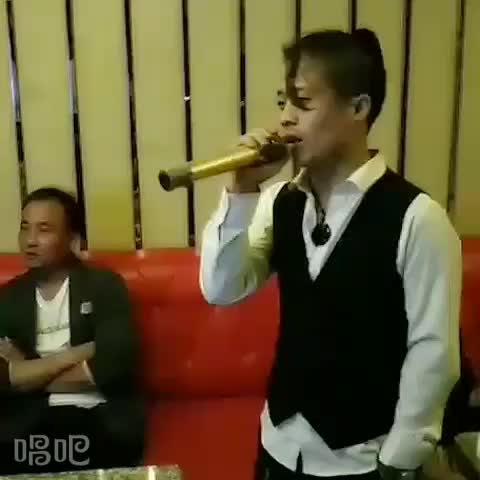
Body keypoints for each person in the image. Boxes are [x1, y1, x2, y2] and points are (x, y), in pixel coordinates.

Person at [199, 29, 461, 479]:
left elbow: (433, 351)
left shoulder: (418, 217)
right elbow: (221, 289)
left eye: (302, 102)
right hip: (278, 446)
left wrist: (397, 459)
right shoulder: (279, 202)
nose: (284, 119)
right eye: (283, 102)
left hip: (363, 459)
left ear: (358, 108)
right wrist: (242, 190)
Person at [0, 187, 145, 475]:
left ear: (73, 239)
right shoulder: (8, 298)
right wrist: (79, 353)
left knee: (68, 439)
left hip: (99, 417)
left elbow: (111, 367)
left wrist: (26, 373)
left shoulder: (104, 286)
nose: (30, 240)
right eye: (25, 228)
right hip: (27, 422)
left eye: (44, 230)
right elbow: (2, 378)